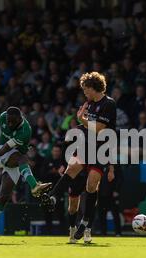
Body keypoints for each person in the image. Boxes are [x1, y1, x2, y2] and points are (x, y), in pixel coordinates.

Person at [43, 72, 116, 242]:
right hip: (87, 145)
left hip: (101, 148)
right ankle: (53, 197)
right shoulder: (89, 103)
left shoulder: (109, 104)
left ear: (94, 88)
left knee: (91, 186)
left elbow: (98, 128)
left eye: (86, 89)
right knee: (72, 168)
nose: (84, 93)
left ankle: (86, 223)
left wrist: (81, 120)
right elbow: (86, 126)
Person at [0, 99, 51, 243]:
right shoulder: (6, 116)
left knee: (4, 197)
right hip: (4, 155)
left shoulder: (25, 130)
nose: (9, 124)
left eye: (12, 122)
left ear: (20, 119)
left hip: (10, 158)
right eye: (8, 121)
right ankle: (34, 185)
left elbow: (7, 149)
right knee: (21, 156)